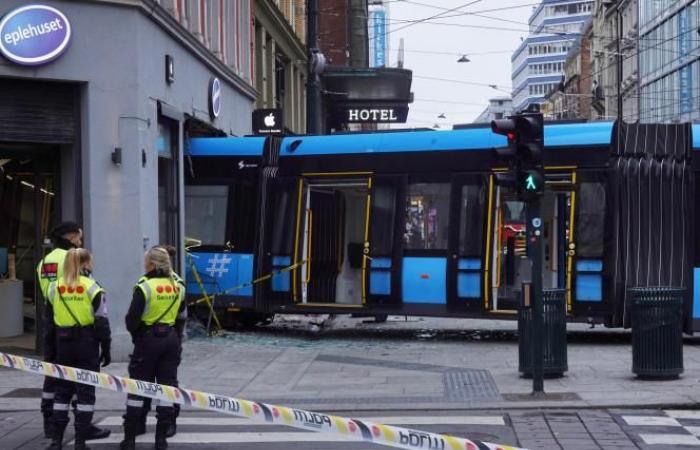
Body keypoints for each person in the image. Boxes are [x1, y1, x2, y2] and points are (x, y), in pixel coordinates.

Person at [36, 222, 110, 441]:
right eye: (80, 237)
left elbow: (49, 294)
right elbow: (91, 300)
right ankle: (82, 427)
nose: (81, 242)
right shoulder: (72, 257)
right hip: (79, 331)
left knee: (55, 377)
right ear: (72, 237)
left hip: (55, 323)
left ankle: (51, 425)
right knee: (83, 381)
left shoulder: (44, 262)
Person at [121, 247, 186, 450]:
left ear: (152, 264)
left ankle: (130, 439)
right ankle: (161, 439)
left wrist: (139, 335)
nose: (144, 264)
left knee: (138, 387)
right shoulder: (178, 286)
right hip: (171, 338)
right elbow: (181, 315)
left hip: (148, 340)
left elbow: (131, 319)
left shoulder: (145, 286)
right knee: (166, 389)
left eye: (146, 261)